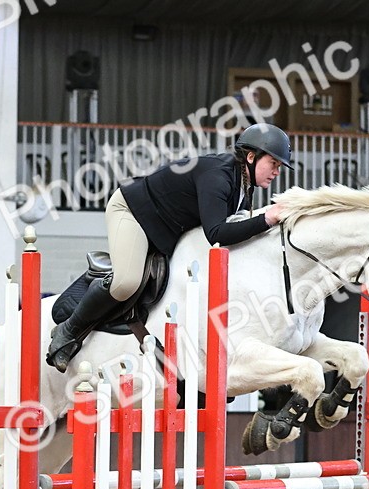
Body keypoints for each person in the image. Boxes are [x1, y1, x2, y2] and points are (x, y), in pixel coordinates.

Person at [45, 123, 294, 372]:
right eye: (274, 164)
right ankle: (67, 331)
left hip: (165, 228)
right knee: (127, 282)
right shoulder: (219, 175)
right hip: (133, 212)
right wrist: (266, 219)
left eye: (280, 167)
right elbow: (216, 233)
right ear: (251, 157)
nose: (277, 172)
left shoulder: (242, 185)